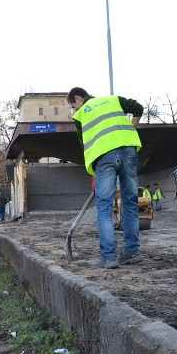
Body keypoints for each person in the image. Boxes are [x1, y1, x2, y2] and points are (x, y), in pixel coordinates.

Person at [68, 87, 143, 269]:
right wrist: (131, 128)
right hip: (129, 151)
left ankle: (109, 257)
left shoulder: (81, 115)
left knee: (104, 207)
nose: (74, 111)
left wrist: (95, 173)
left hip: (105, 157)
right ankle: (132, 251)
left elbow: (85, 145)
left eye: (73, 106)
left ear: (78, 98)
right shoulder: (112, 100)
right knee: (131, 202)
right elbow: (138, 108)